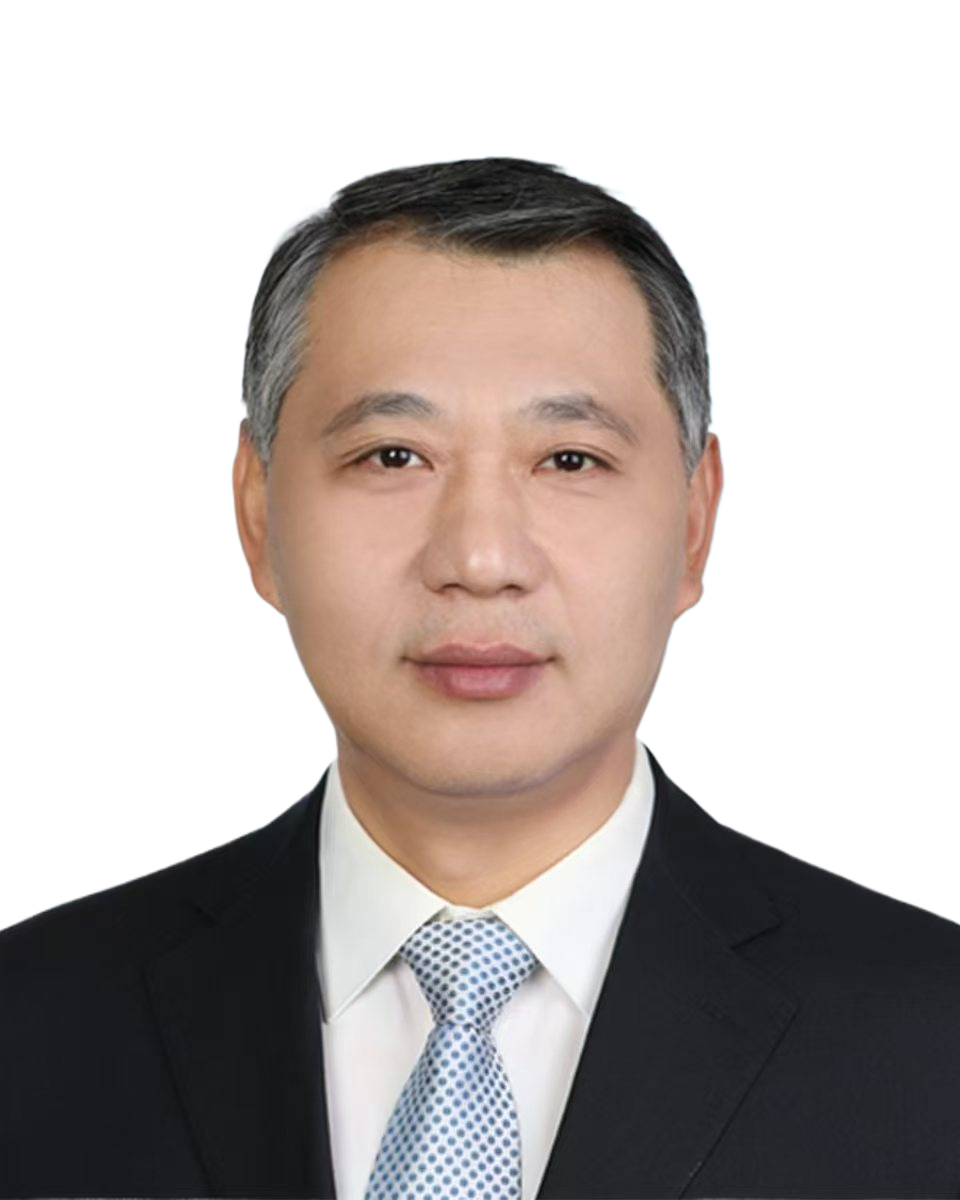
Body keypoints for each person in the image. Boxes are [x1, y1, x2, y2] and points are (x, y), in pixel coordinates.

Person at [1, 156, 958, 1200]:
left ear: (694, 522)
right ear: (257, 511)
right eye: (393, 456)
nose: (481, 557)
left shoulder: (932, 1045)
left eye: (570, 460)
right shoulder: (32, 1026)